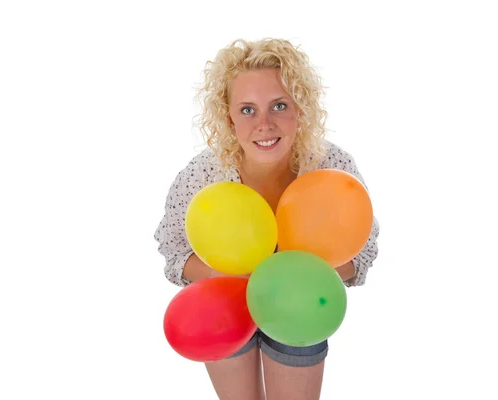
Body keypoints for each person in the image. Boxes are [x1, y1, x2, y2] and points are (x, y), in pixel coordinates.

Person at [154, 38, 380, 400]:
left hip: (299, 312)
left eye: (279, 105)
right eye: (247, 110)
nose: (264, 124)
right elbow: (174, 251)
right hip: (224, 312)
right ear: (227, 117)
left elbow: (362, 252)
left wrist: (287, 285)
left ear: (301, 109)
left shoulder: (331, 169)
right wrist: (230, 278)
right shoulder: (204, 176)